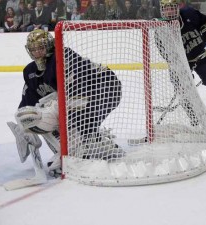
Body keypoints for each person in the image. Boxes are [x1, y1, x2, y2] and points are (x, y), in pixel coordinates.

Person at [8, 29, 124, 178]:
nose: (37, 52)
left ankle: (86, 146)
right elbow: (27, 103)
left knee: (71, 110)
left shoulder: (63, 57)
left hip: (106, 87)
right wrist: (24, 128)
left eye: (41, 48)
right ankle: (92, 142)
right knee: (43, 115)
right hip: (83, 95)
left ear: (49, 45)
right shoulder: (30, 71)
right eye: (33, 49)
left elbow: (80, 90)